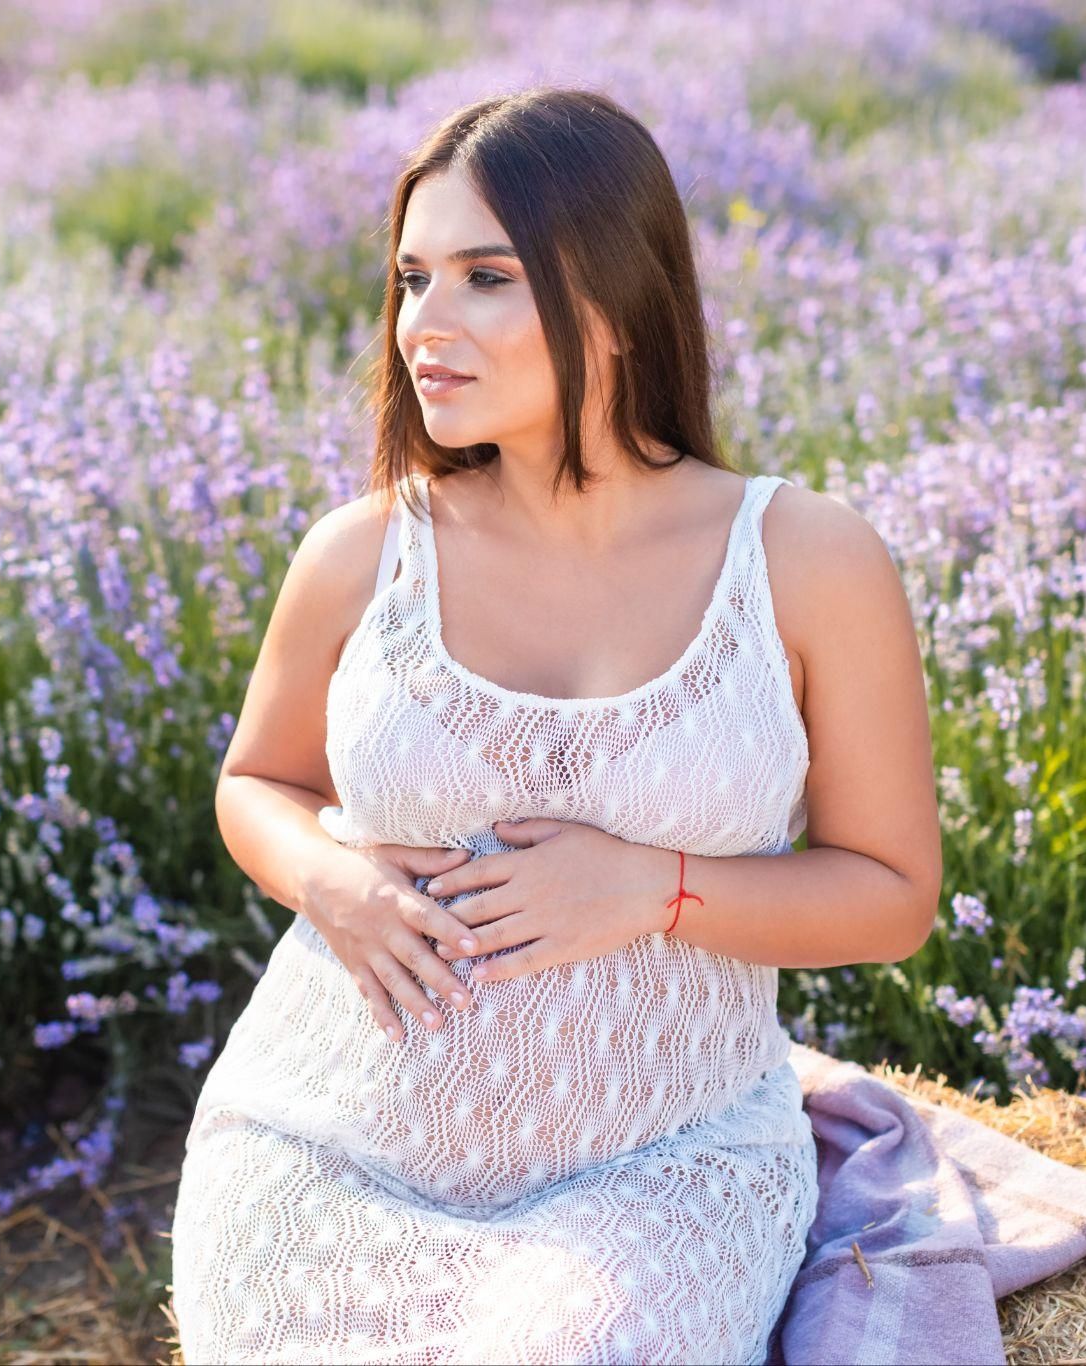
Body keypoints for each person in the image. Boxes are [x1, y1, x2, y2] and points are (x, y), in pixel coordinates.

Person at [169, 85, 941, 1364]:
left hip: (655, 1167)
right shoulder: (362, 552)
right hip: (323, 1141)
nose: (425, 324)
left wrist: (657, 889)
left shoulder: (804, 561)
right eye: (412, 278)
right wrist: (333, 879)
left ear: (617, 297)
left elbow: (889, 894)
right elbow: (256, 779)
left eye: (485, 277)